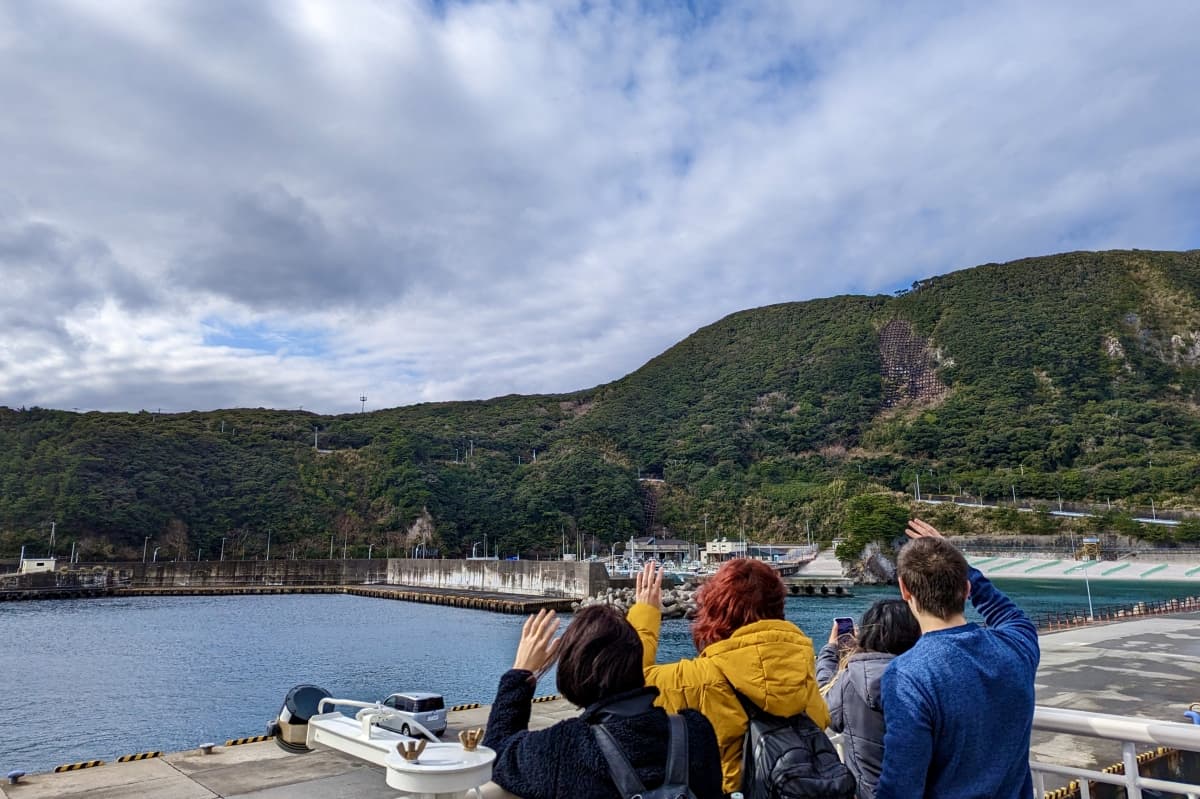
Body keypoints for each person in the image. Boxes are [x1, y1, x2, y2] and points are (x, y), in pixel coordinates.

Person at [627, 559, 830, 795]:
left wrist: (645, 613)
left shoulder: (697, 679)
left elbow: (630, 684)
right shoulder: (801, 670)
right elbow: (822, 719)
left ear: (714, 610)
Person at [482, 606, 724, 799]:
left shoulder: (562, 747)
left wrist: (521, 673)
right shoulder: (695, 731)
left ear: (572, 672)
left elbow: (496, 754)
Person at [874, 519, 1040, 799]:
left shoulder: (906, 676)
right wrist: (959, 560)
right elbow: (1008, 614)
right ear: (966, 589)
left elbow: (901, 786)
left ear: (904, 590)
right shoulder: (1016, 647)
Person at [816, 599, 921, 799]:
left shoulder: (850, 681)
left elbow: (825, 704)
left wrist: (831, 650)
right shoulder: (925, 679)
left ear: (868, 634)